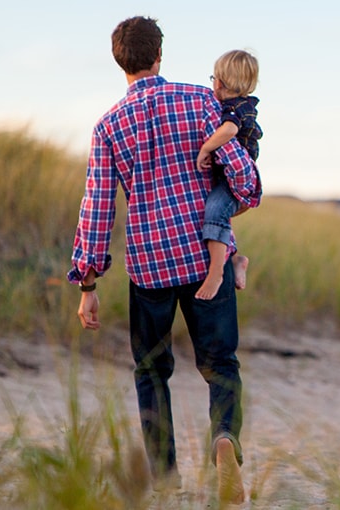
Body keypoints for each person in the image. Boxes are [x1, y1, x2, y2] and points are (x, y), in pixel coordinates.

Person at [69, 16, 261, 505]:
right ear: (160, 55)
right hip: (203, 258)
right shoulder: (200, 100)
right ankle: (224, 441)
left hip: (149, 267)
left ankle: (165, 478)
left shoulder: (108, 125)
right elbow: (243, 175)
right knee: (221, 366)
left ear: (120, 61)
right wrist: (237, 198)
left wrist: (88, 285)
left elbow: (97, 206)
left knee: (151, 372)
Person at [195, 49, 263, 300]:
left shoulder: (236, 109)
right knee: (219, 215)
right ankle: (236, 260)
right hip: (230, 178)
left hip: (237, 181)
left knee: (214, 211)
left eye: (213, 78)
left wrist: (206, 147)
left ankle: (216, 273)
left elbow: (229, 131)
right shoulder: (238, 104)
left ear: (220, 82)